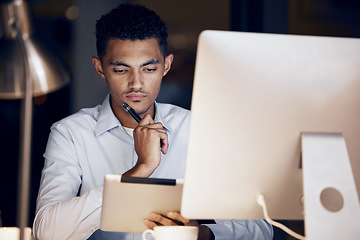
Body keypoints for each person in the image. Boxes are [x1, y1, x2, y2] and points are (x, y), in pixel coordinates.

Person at [33, 3, 273, 240]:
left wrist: (203, 233)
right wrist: (138, 172)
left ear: (166, 65)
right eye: (121, 70)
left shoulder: (198, 130)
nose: (136, 83)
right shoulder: (70, 134)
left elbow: (261, 228)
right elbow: (45, 232)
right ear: (100, 68)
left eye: (148, 69)